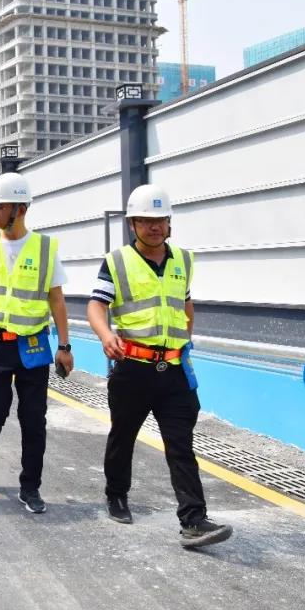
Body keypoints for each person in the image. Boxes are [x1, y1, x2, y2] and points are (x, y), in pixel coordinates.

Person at [87, 183, 233, 548]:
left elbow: (185, 304)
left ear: (169, 222)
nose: (154, 227)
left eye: (160, 220)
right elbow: (96, 305)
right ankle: (116, 494)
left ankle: (193, 520)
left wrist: (184, 343)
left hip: (175, 372)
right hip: (133, 368)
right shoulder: (117, 261)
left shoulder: (183, 260)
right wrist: (106, 335)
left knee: (181, 444)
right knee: (123, 436)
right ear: (132, 224)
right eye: (145, 220)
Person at [0, 172, 74, 515]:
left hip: (32, 346)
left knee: (33, 419)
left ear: (21, 208)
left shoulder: (44, 248)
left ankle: (31, 487)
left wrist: (65, 346)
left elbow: (57, 300)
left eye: (0, 206)